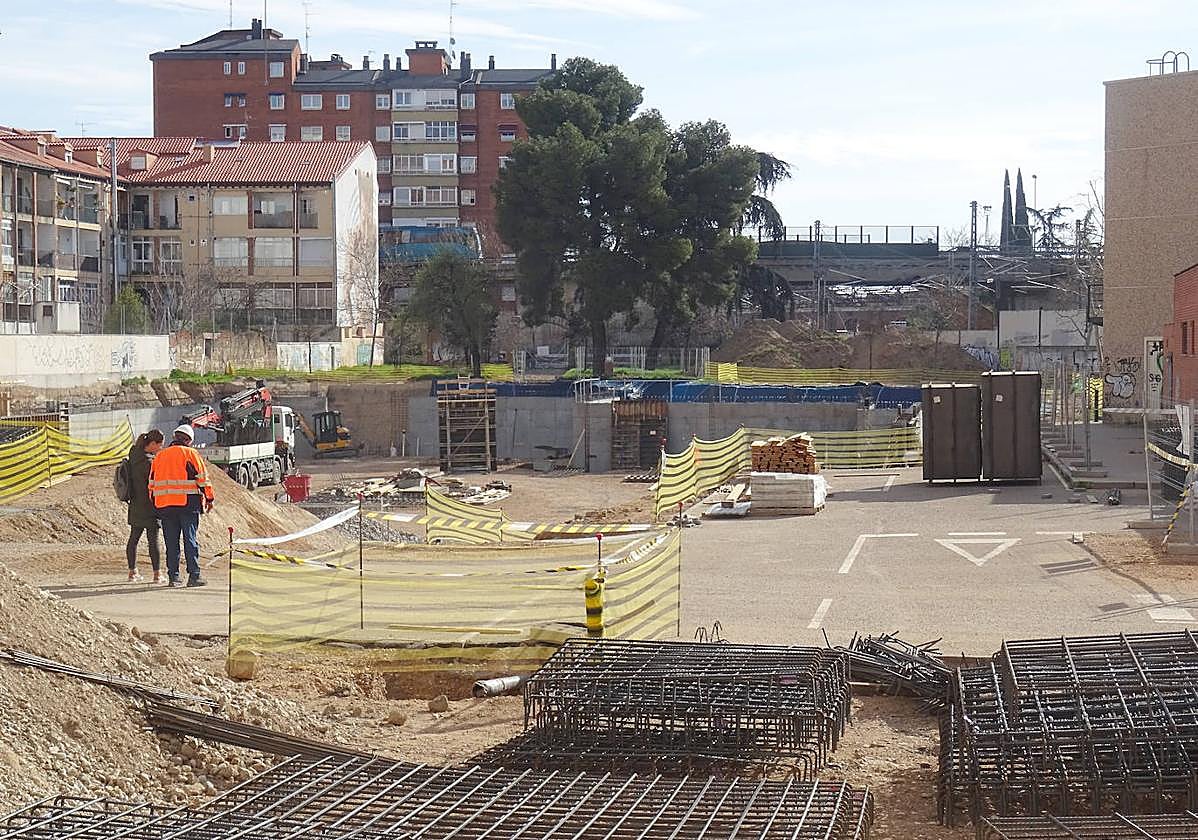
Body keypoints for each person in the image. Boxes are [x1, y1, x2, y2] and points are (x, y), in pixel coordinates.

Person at [149, 424, 214, 588]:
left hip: (165, 506)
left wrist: (156, 504)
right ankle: (194, 575)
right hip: (188, 504)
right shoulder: (191, 453)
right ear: (189, 440)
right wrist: (209, 498)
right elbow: (202, 478)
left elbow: (151, 484)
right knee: (190, 540)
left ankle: (174, 577)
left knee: (171, 543)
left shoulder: (159, 456)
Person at [126, 429, 164, 582]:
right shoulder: (149, 463)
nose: (161, 448)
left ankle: (132, 572)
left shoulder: (134, 456)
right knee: (153, 541)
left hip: (135, 504)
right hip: (150, 506)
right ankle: (157, 574)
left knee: (133, 539)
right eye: (160, 445)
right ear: (153, 444)